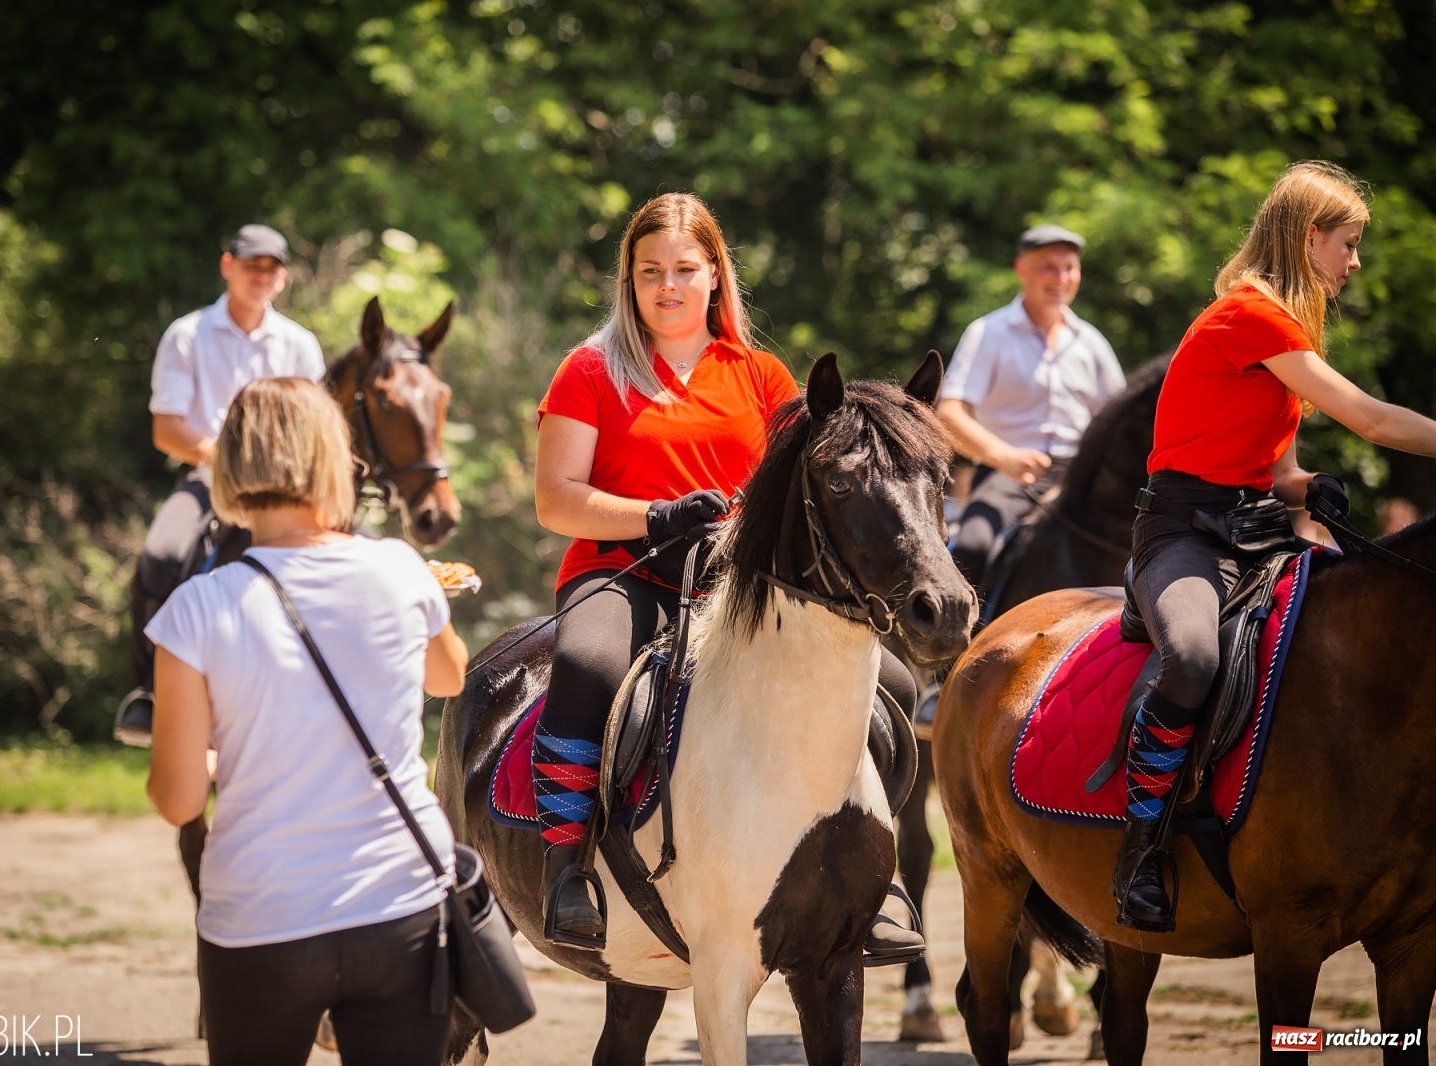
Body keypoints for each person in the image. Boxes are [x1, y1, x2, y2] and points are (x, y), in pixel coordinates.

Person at [532, 191, 923, 960]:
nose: (666, 286)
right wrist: (657, 515)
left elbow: (804, 482)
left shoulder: (761, 375)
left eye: (683, 269)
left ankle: (876, 874)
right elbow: (556, 501)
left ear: (715, 276)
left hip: (742, 589)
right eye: (649, 272)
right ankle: (566, 865)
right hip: (627, 570)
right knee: (586, 664)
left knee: (896, 687)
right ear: (629, 280)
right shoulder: (588, 369)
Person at [1114, 161, 1436, 932]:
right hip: (1182, 536)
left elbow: (1277, 470)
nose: (1354, 262)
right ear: (1307, 238)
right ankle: (1139, 847)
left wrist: (1305, 487)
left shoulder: (1281, 330)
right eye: (1348, 244)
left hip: (1256, 530)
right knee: (1192, 657)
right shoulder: (1249, 316)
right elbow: (1374, 420)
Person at [145, 376, 469, 1065]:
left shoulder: (195, 610)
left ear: (229, 465)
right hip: (401, 903)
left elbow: (176, 800)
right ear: (335, 459)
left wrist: (213, 759)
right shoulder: (401, 569)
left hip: (263, 917)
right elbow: (448, 677)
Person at [116, 224, 326, 745]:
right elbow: (167, 428)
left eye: (273, 267)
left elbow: (316, 424)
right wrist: (229, 459)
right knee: (161, 556)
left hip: (290, 489)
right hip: (207, 478)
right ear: (227, 265)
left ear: (283, 278)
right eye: (252, 264)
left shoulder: (300, 343)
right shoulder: (187, 335)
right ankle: (148, 694)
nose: (263, 275)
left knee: (364, 547)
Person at [938, 224, 1125, 595]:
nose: (1061, 278)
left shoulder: (1090, 342)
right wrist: (1004, 456)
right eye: (1048, 267)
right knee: (972, 546)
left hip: (1080, 478)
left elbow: (1117, 420)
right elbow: (950, 413)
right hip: (1007, 476)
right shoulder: (988, 333)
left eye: (1069, 267)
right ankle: (948, 646)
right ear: (1021, 269)